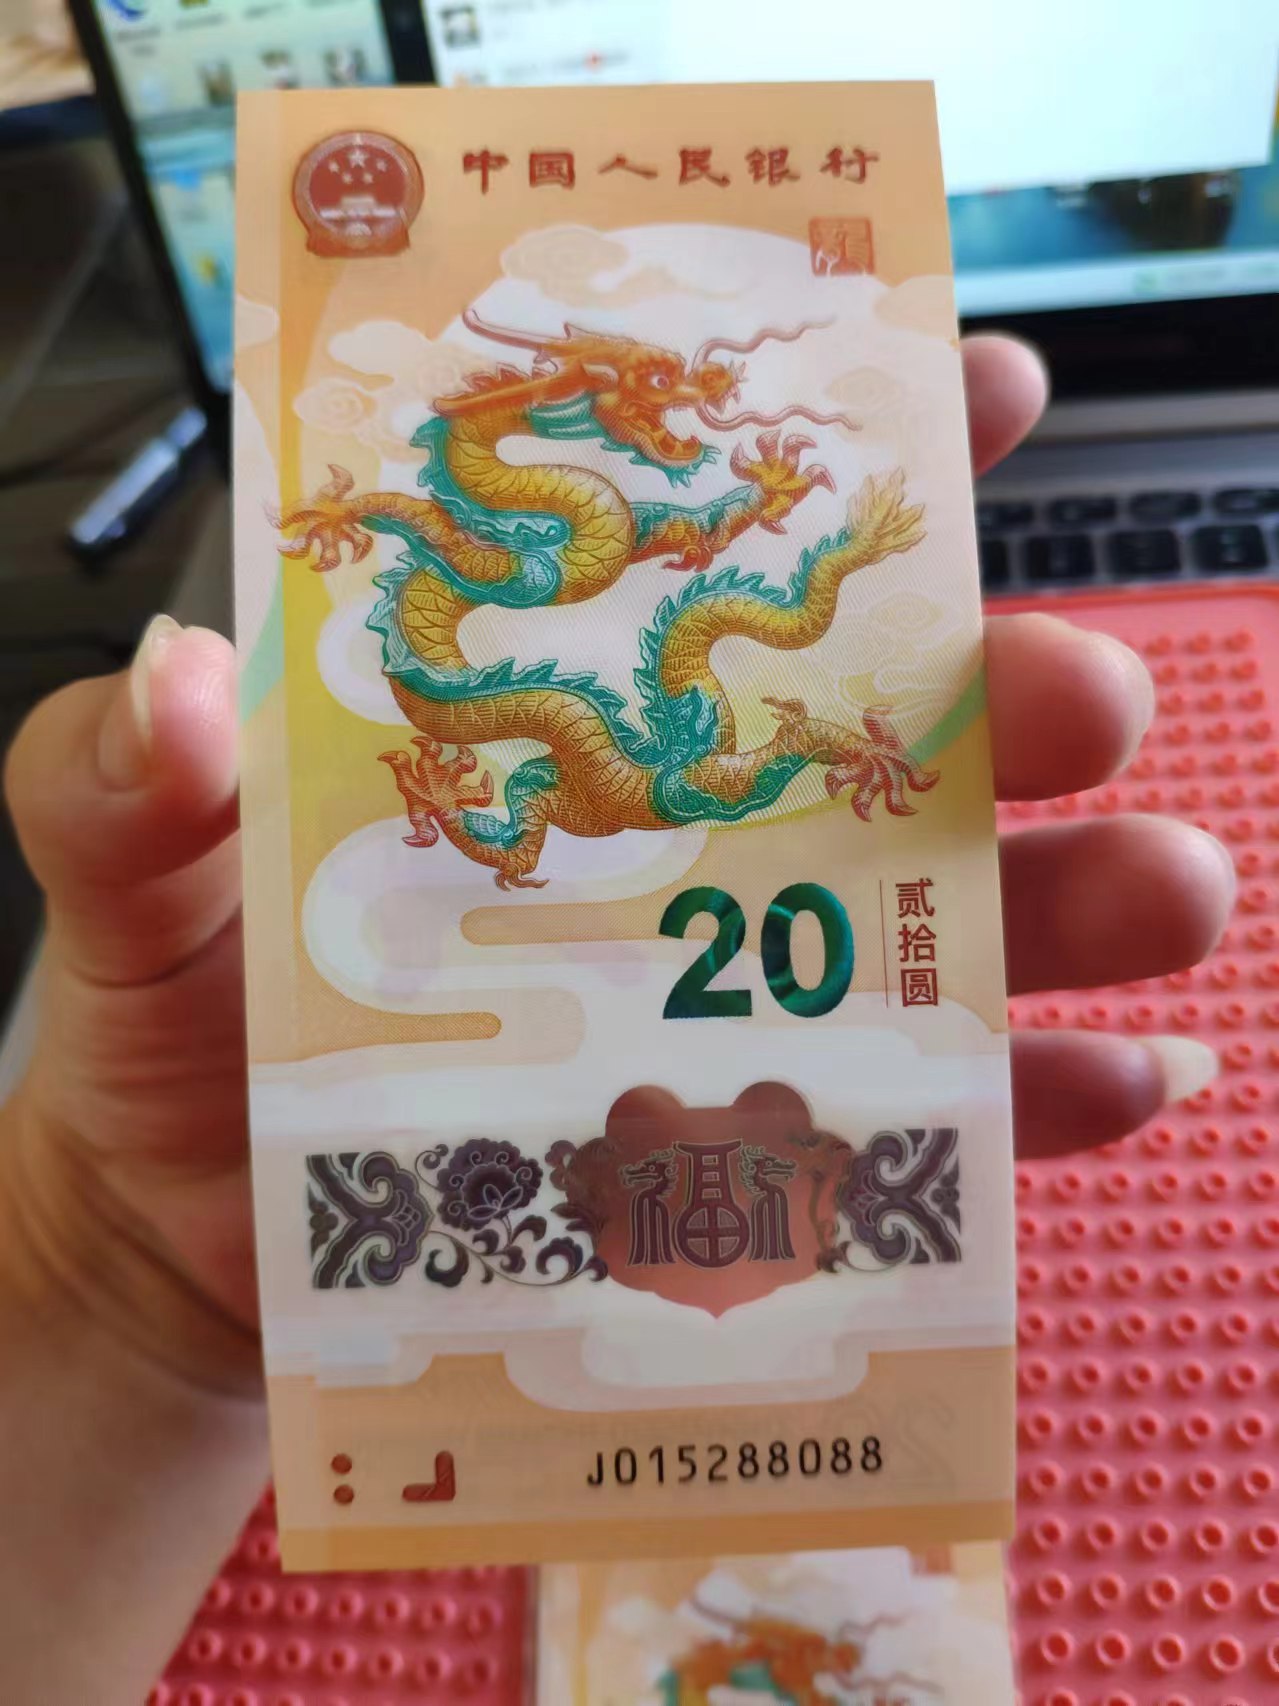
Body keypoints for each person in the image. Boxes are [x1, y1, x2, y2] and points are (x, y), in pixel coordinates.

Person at [0, 337, 1234, 1704]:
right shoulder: (603, 689)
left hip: (610, 763)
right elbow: (673, 671)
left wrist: (811, 585)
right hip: (575, 755)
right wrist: (107, 1283)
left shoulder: (672, 710)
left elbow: (733, 643)